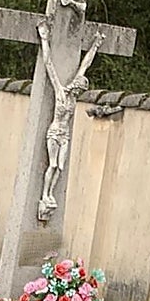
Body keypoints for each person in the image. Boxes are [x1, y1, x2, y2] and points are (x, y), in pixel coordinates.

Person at [37, 21, 105, 221]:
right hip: (55, 132)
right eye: (79, 88)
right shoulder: (60, 92)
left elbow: (86, 64)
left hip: (65, 134)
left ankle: (51, 196)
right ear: (75, 86)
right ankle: (45, 194)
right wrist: (44, 38)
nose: (79, 92)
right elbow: (48, 64)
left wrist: (96, 45)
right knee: (51, 164)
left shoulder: (74, 98)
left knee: (60, 167)